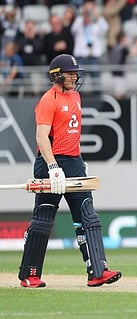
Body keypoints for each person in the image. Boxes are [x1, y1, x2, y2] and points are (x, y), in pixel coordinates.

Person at [18, 54, 122, 288]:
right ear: (56, 75)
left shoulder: (75, 95)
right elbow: (41, 137)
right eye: (70, 73)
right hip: (49, 164)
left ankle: (97, 271)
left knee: (88, 217)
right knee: (43, 220)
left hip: (74, 162)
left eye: (75, 73)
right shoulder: (48, 100)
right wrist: (53, 167)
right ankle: (30, 274)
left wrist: (77, 162)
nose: (74, 77)